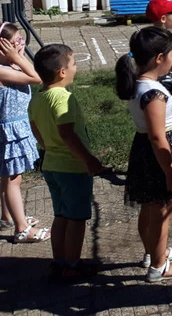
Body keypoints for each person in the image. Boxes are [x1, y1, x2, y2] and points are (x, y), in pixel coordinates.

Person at [116, 26, 172, 282]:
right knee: (162, 213)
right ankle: (158, 265)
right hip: (161, 157)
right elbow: (157, 136)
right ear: (159, 59)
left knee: (150, 208)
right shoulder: (153, 94)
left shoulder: (140, 83)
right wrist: (170, 170)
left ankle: (152, 252)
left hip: (148, 153)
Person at [30, 44, 104, 279]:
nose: (76, 67)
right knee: (77, 219)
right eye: (74, 64)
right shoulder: (64, 98)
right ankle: (72, 266)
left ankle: (59, 261)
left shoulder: (37, 98)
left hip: (51, 165)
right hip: (73, 167)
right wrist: (89, 159)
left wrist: (48, 147)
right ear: (62, 72)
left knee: (61, 215)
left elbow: (36, 130)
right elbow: (68, 134)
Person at [0, 22, 49, 244]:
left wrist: (17, 56)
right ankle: (21, 229)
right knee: (14, 179)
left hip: (15, 128)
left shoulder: (11, 66)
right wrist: (18, 58)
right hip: (10, 132)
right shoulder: (2, 70)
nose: (21, 43)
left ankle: (8, 216)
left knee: (6, 176)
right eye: (15, 42)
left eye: (21, 39)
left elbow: (31, 73)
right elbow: (37, 78)